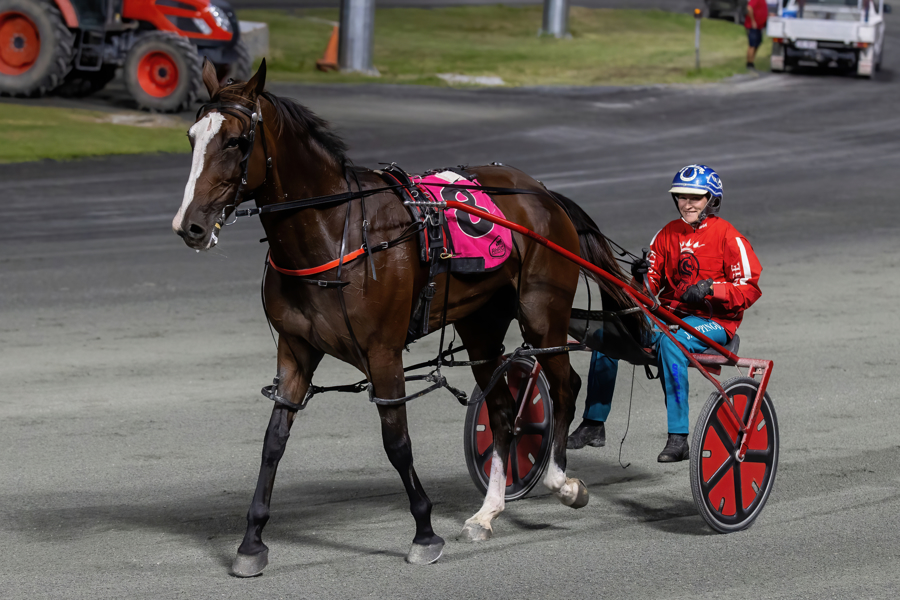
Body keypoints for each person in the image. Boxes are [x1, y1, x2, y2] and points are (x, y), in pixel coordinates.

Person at [567, 165, 762, 462]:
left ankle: (678, 438)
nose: (687, 204)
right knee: (610, 334)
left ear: (712, 200)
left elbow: (749, 290)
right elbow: (647, 293)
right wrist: (639, 278)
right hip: (669, 317)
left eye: (695, 198)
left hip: (714, 323)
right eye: (682, 197)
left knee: (671, 344)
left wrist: (711, 290)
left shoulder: (730, 238)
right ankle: (594, 424)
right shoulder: (666, 234)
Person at [745, 0, 769, 70]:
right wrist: (753, 21)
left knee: (757, 44)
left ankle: (752, 61)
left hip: (759, 26)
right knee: (752, 44)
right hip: (753, 26)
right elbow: (749, 8)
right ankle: (749, 63)